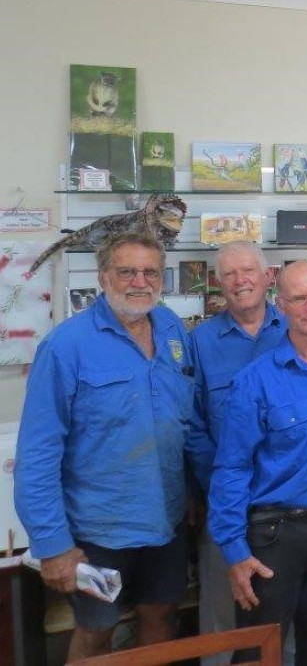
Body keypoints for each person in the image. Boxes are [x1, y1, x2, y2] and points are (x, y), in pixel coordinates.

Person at [14, 232, 194, 659]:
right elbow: (37, 456)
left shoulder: (171, 329)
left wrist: (194, 493)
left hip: (165, 523)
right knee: (97, 630)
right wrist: (53, 546)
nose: (139, 281)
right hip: (98, 532)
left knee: (161, 617)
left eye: (150, 272)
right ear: (102, 277)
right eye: (126, 271)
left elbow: (184, 422)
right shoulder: (65, 347)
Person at [207, 261, 307, 664]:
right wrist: (233, 549)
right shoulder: (256, 379)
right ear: (281, 305)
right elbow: (231, 468)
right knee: (260, 647)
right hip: (275, 533)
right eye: (299, 298)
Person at [187, 241, 286, 664]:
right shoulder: (200, 341)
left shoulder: (298, 330)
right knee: (219, 620)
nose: (240, 281)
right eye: (229, 274)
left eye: (249, 271)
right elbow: (191, 426)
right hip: (225, 501)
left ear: (269, 277)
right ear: (218, 284)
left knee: (282, 615)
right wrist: (226, 486)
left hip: (286, 503)